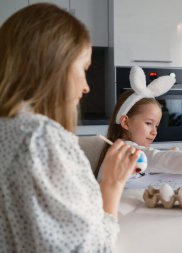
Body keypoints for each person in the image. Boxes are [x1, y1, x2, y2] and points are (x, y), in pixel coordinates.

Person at [0, 4, 140, 252]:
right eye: (83, 69)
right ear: (53, 64)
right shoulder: (39, 137)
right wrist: (111, 184)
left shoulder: (9, 129)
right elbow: (86, 247)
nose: (86, 87)